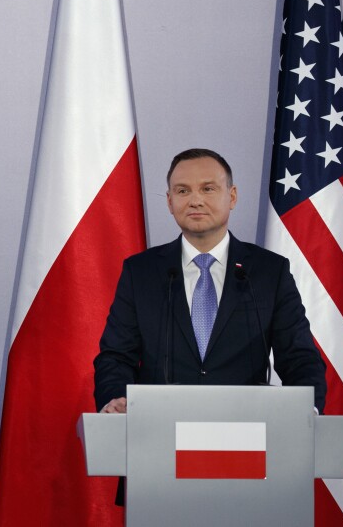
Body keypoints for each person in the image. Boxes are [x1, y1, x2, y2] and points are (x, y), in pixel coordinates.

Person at [94, 148, 326, 415]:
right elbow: (116, 357)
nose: (195, 200)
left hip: (248, 434)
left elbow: (299, 357)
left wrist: (307, 411)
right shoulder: (141, 272)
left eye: (207, 189)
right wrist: (116, 400)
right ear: (170, 202)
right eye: (183, 191)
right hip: (158, 431)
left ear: (232, 196)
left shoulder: (269, 272)